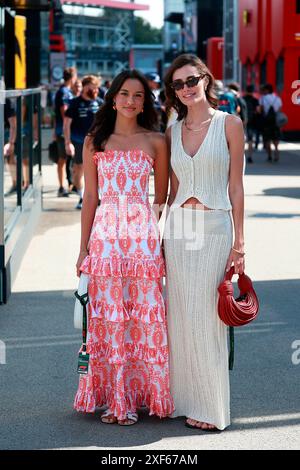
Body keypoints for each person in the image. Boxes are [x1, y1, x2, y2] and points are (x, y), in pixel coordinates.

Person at [73, 69, 174, 425]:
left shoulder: (157, 141)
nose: (131, 101)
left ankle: (144, 395)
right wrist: (83, 249)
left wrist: (149, 236)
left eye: (139, 96)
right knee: (110, 321)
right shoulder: (95, 140)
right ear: (113, 97)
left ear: (145, 102)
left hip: (143, 244)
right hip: (104, 242)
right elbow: (90, 197)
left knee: (145, 321)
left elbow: (160, 198)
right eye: (125, 94)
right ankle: (117, 399)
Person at [163, 54, 245, 431]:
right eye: (178, 84)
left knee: (208, 317)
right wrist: (158, 239)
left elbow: (236, 186)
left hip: (215, 226)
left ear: (205, 79)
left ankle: (212, 408)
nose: (186, 88)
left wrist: (239, 243)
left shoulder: (230, 124)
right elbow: (171, 189)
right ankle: (183, 401)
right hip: (179, 228)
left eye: (191, 79)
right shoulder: (171, 129)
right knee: (179, 315)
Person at [64, 75, 103, 210]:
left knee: (98, 171)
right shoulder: (75, 103)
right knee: (78, 169)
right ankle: (82, 196)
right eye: (91, 88)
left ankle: (95, 196)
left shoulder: (99, 102)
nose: (93, 91)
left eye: (95, 88)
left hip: (98, 141)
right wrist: (68, 143)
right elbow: (66, 124)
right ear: (84, 87)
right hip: (79, 141)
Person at [54, 66, 77, 197]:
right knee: (62, 159)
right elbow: (65, 113)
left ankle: (69, 185)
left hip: (63, 130)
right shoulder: (64, 92)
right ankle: (62, 187)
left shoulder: (66, 91)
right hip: (63, 131)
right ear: (73, 77)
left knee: (67, 160)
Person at [259, 83, 282, 162]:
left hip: (266, 121)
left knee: (267, 139)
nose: (263, 91)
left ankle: (269, 155)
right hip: (275, 121)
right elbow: (279, 110)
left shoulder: (262, 98)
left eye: (264, 90)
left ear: (267, 90)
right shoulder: (277, 98)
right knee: (276, 137)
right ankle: (276, 151)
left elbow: (261, 109)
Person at [3, 97, 17, 195]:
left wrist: (11, 143)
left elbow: (13, 124)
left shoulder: (7, 101)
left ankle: (16, 184)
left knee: (10, 159)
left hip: (7, 133)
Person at [243, 84, 260, 163]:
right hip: (252, 121)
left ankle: (241, 155)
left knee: (241, 138)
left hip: (242, 121)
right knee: (250, 139)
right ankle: (249, 156)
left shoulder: (242, 99)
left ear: (246, 91)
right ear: (253, 91)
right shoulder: (255, 100)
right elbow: (258, 111)